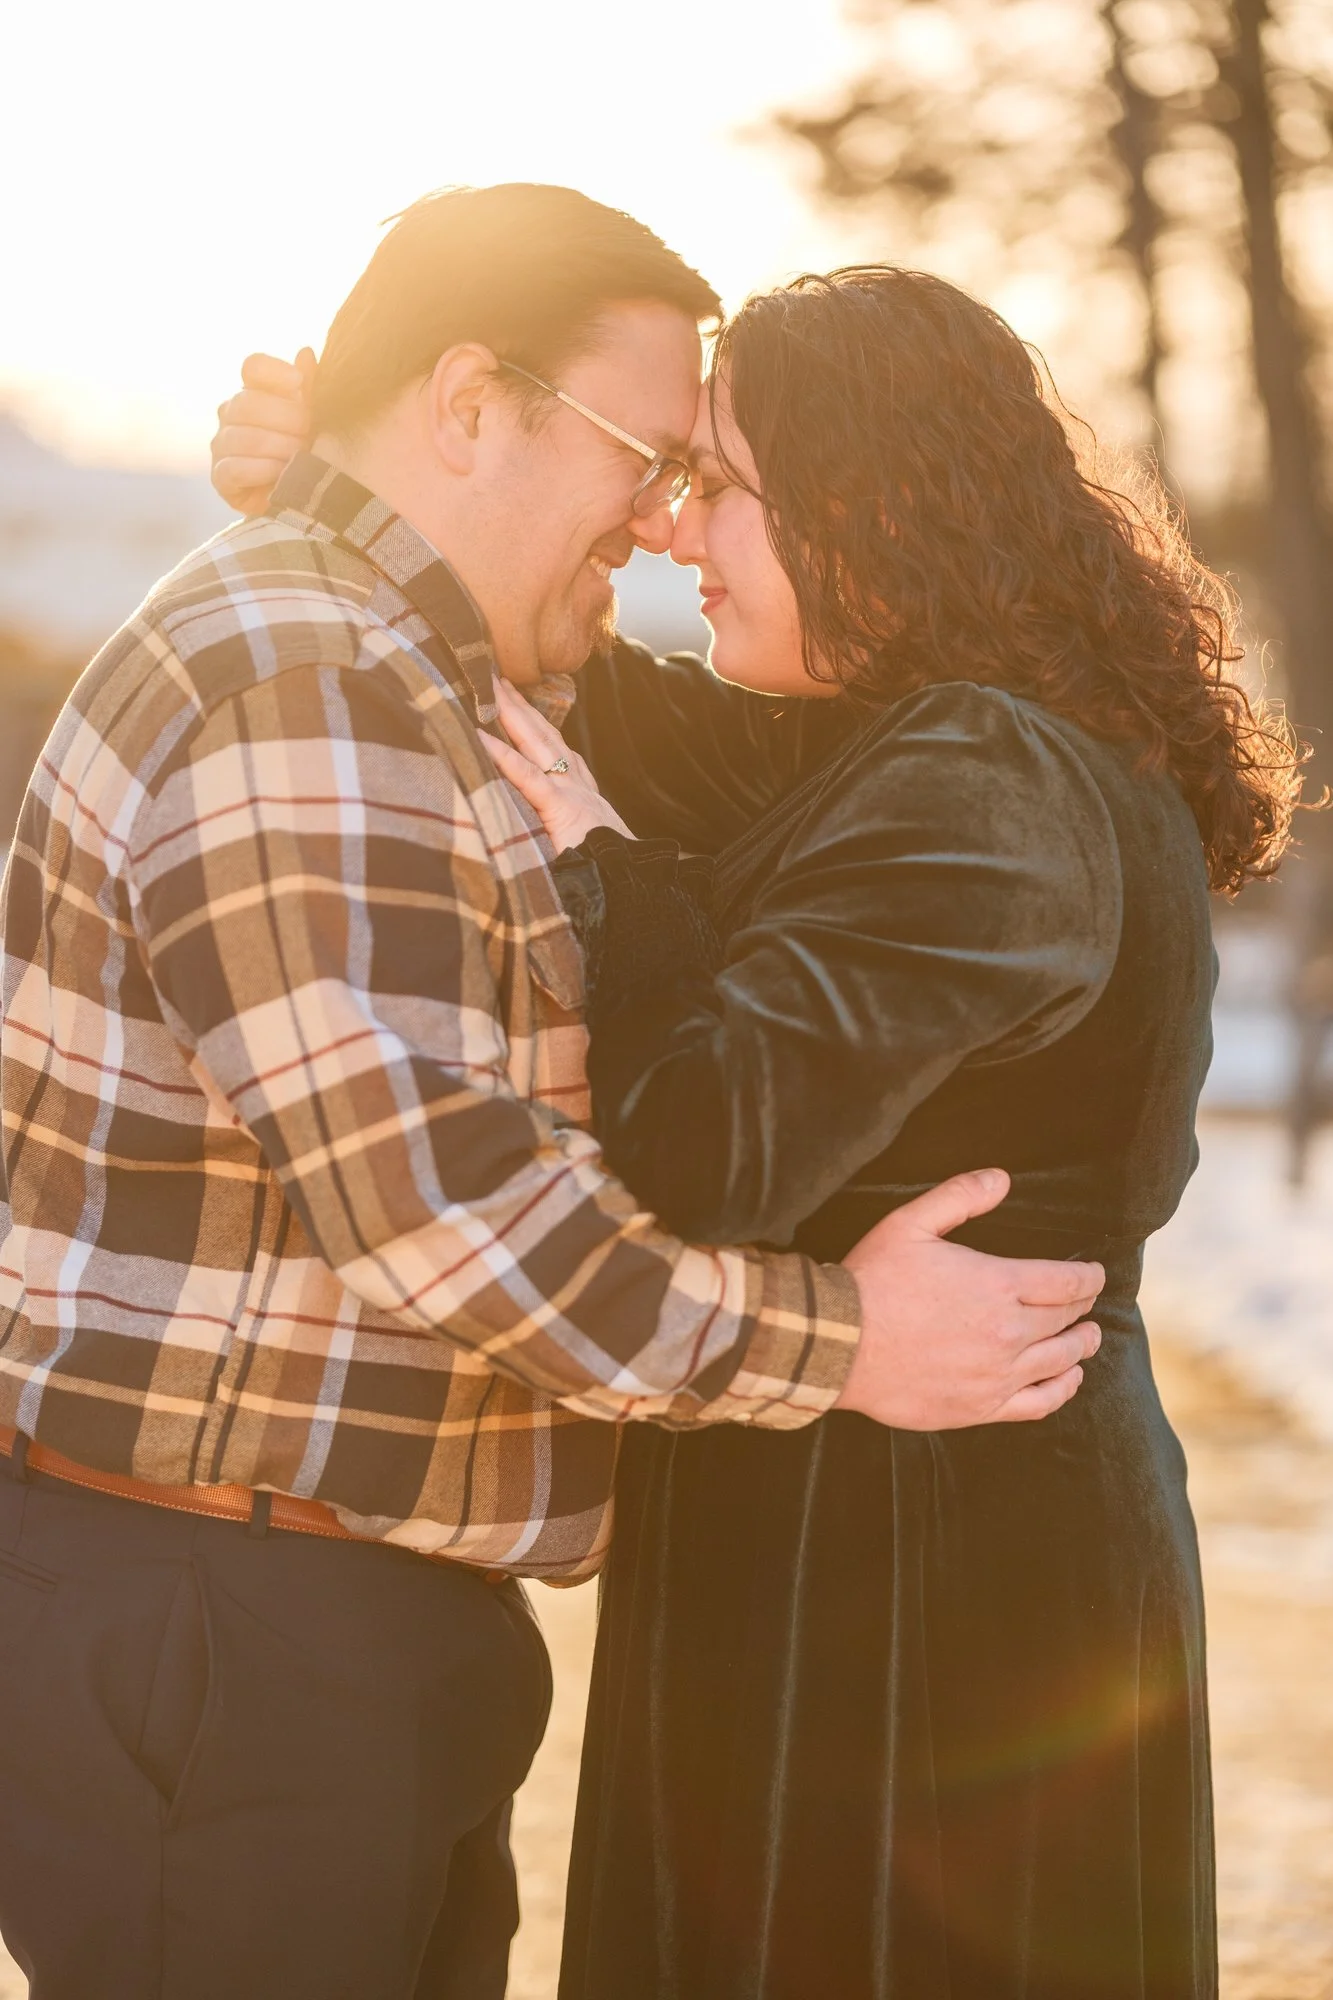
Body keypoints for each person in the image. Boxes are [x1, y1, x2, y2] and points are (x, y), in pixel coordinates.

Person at [0, 190, 1103, 2000]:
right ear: (467, 404)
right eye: (646, 458)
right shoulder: (304, 683)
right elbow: (444, 1214)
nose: (666, 525)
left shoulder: (409, 665)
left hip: (319, 1607)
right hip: (230, 1630)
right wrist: (847, 1344)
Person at [215, 258, 1301, 1999]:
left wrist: (587, 875)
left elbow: (692, 1148)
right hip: (886, 1515)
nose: (669, 532)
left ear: (863, 508)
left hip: (911, 1577)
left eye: (715, 483)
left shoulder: (994, 784)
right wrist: (357, 490)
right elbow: (590, 695)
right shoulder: (937, 743)